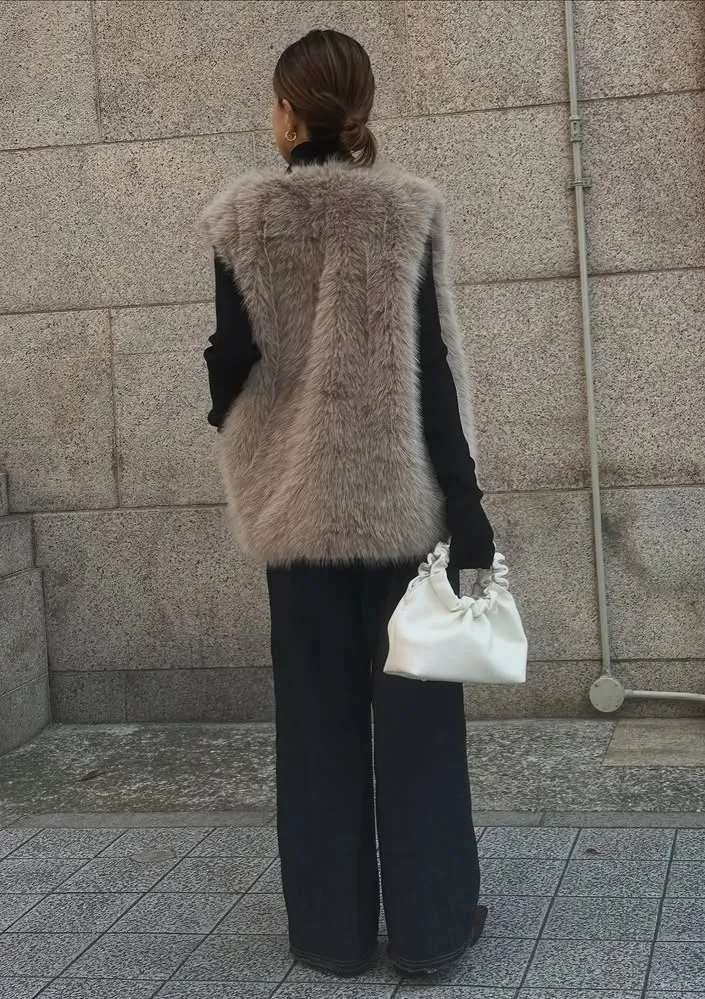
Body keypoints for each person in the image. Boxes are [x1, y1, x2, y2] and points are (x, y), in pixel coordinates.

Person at [202, 28, 494, 978]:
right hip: (397, 505)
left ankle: (330, 935)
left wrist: (223, 391)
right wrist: (467, 503)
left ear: (288, 111)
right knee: (418, 726)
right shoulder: (404, 213)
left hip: (296, 513)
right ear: (359, 109)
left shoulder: (244, 219)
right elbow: (431, 367)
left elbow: (232, 361)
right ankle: (430, 930)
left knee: (315, 726)